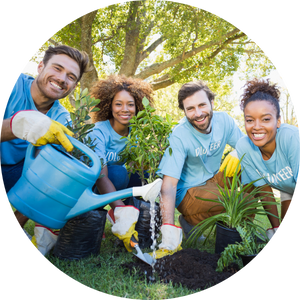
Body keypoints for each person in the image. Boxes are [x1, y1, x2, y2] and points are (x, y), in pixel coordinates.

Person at [1, 45, 90, 256]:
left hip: (17, 173)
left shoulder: (61, 118)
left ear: (74, 86)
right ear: (40, 66)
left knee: (59, 174)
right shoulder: (13, 85)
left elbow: (46, 179)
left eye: (70, 77)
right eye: (57, 68)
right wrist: (19, 124)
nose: (62, 79)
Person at [152, 80, 245, 258]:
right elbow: (169, 184)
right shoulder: (180, 134)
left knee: (248, 164)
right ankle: (192, 219)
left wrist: (239, 152)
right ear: (185, 111)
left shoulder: (224, 120)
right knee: (239, 201)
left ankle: (228, 229)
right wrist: (168, 231)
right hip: (189, 191)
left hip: (214, 180)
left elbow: (248, 147)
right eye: (190, 108)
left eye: (202, 105)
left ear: (212, 103)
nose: (198, 113)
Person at [88, 74, 158, 251]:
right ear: (109, 107)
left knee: (146, 175)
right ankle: (105, 215)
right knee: (118, 173)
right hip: (89, 186)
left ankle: (137, 223)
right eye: (118, 104)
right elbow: (100, 176)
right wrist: (121, 211)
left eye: (130, 104)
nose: (124, 109)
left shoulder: (135, 134)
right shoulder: (99, 131)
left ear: (138, 107)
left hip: (112, 184)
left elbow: (140, 172)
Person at [235, 78, 300, 241]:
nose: (256, 126)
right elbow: (263, 189)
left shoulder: (291, 138)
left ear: (278, 121)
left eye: (265, 119)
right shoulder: (244, 147)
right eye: (250, 120)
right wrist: (276, 229)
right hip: (287, 187)